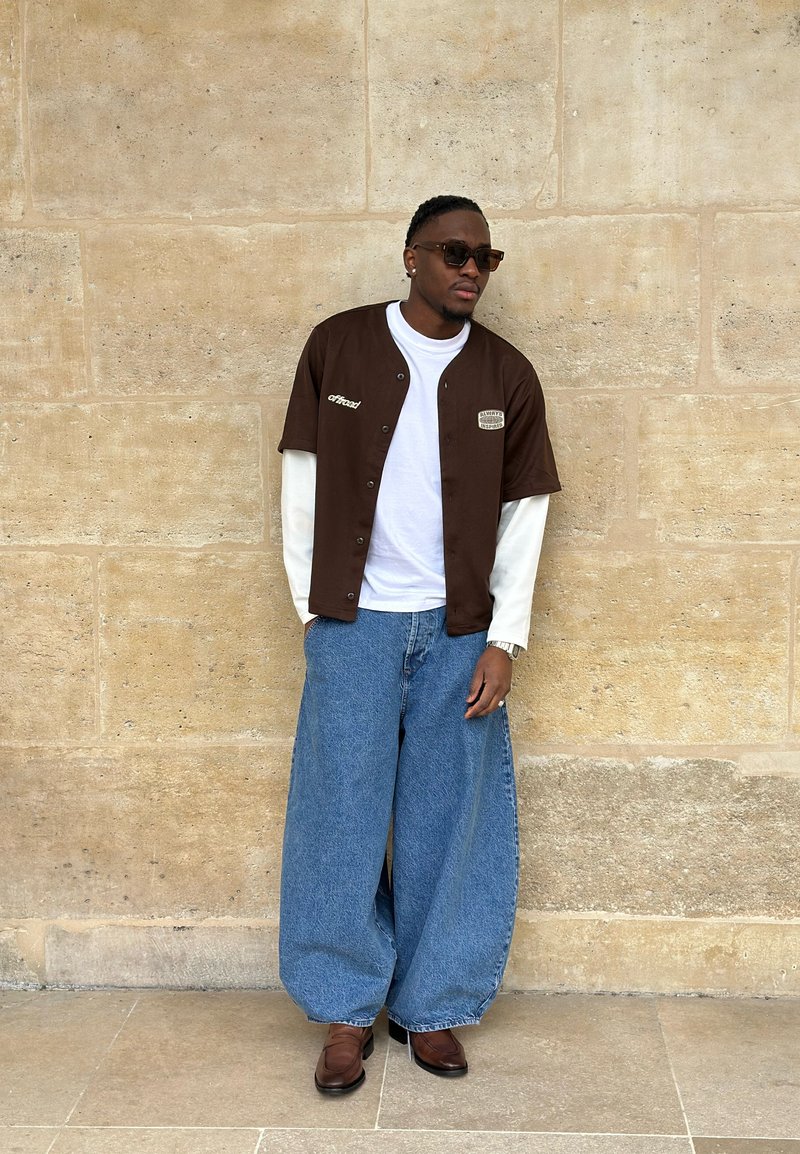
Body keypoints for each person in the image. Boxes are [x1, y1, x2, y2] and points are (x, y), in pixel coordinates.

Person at [278, 194, 560, 1094]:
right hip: (355, 624)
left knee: (453, 820)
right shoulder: (341, 346)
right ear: (412, 258)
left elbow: (526, 516)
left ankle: (433, 1007)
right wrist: (314, 611)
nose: (471, 267)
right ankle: (345, 1010)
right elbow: (302, 477)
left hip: (458, 633)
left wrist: (504, 638)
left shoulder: (507, 374)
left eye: (486, 255)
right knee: (340, 818)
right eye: (453, 251)